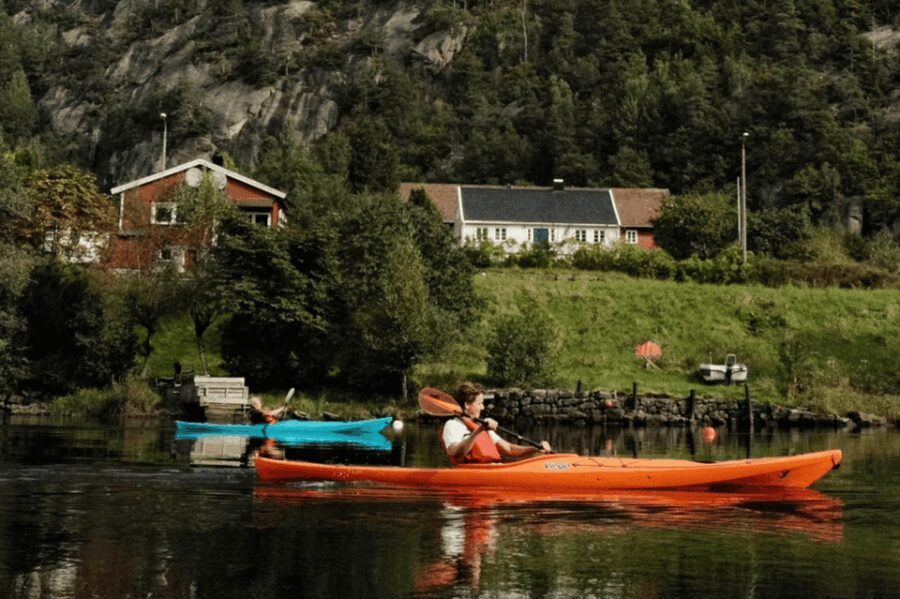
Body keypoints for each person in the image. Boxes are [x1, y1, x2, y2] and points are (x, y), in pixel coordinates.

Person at [441, 382, 551, 465]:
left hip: (494, 468)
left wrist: (536, 448)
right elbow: (456, 452)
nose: (483, 407)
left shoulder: (480, 425)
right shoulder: (452, 425)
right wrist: (479, 431)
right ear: (467, 404)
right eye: (479, 404)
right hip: (472, 471)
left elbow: (509, 449)